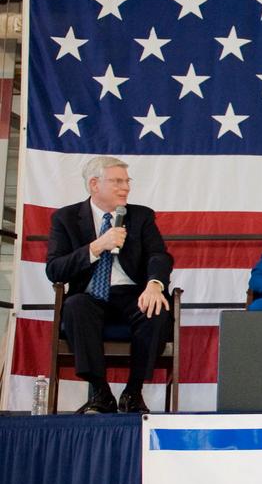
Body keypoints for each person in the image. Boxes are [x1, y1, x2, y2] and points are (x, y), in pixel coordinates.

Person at [45, 155, 173, 414]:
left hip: (131, 294)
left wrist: (155, 284)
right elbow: (55, 268)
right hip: (90, 295)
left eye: (127, 181)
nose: (125, 187)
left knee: (156, 309)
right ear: (94, 184)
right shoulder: (66, 218)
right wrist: (96, 246)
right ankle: (101, 393)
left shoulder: (141, 216)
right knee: (75, 306)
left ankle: (133, 392)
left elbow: (159, 255)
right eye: (117, 181)